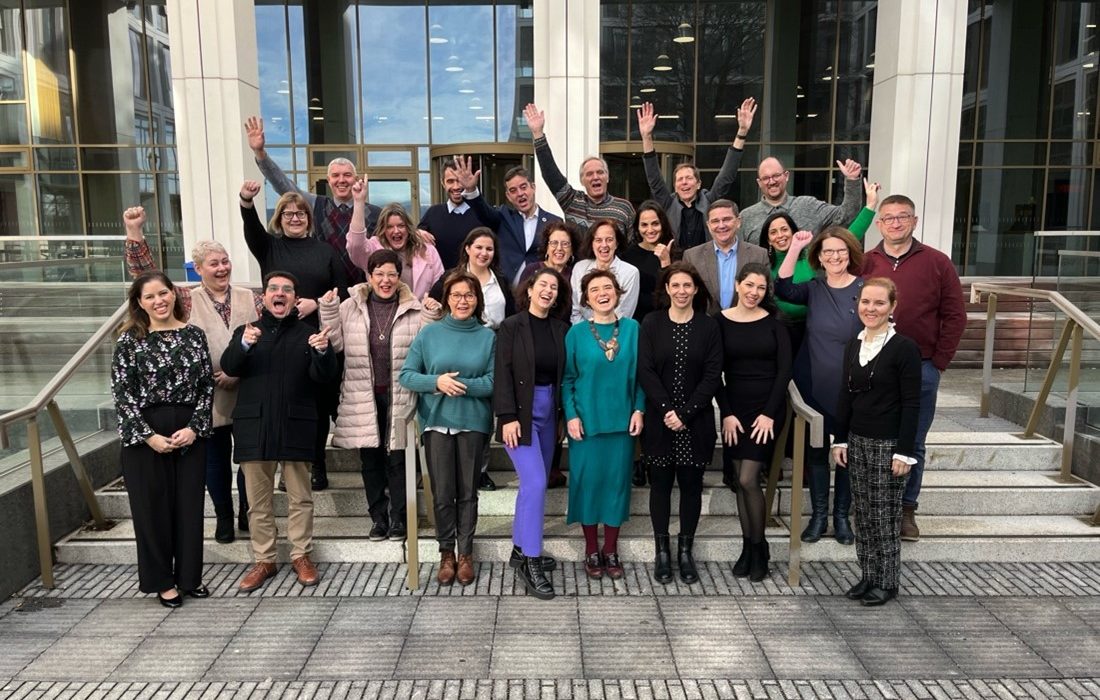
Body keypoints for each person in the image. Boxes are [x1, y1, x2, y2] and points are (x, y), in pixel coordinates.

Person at [123, 206, 259, 542]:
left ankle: (246, 513)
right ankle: (224, 517)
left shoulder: (249, 297)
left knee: (249, 461)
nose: (222, 267)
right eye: (214, 263)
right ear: (198, 269)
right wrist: (135, 233)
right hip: (208, 397)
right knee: (213, 464)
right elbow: (147, 278)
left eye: (225, 261)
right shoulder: (184, 298)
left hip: (247, 391)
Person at [220, 271, 340, 593]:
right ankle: (265, 560)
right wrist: (244, 345)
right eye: (274, 288)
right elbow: (230, 366)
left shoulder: (308, 334)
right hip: (254, 425)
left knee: (300, 498)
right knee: (258, 502)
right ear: (264, 298)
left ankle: (301, 555)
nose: (280, 293)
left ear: (295, 299)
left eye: (287, 289)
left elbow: (325, 377)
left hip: (296, 425)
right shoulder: (246, 333)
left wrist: (323, 352)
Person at [862, 195, 966, 541]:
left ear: (914, 221)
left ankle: (907, 509)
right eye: (888, 218)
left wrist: (939, 362)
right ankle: (875, 505)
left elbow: (955, 315)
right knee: (874, 438)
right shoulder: (866, 262)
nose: (895, 223)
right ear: (879, 224)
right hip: (874, 363)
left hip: (921, 366)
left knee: (914, 441)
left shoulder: (937, 262)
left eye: (902, 217)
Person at [111, 272, 213, 607]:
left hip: (188, 430)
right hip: (146, 434)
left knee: (188, 508)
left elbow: (205, 388)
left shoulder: (194, 335)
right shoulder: (129, 340)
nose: (159, 301)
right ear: (139, 303)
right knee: (151, 510)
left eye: (164, 293)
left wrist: (195, 427)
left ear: (174, 294)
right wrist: (147, 436)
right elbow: (122, 395)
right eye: (150, 296)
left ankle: (189, 577)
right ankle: (161, 581)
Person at [239, 179, 348, 491]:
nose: (295, 218)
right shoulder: (269, 247)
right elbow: (251, 228)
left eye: (300, 213)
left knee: (316, 405)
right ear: (280, 218)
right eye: (288, 214)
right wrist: (246, 201)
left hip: (316, 337)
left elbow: (341, 286)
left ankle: (316, 464)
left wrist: (317, 302)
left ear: (308, 219)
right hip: (278, 339)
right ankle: (286, 469)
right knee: (284, 403)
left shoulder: (324, 251)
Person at [320, 248, 432, 543]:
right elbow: (335, 344)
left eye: (391, 274)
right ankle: (378, 519)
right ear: (368, 276)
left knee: (398, 458)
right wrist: (329, 311)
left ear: (400, 276)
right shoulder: (349, 307)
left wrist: (432, 314)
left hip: (401, 395)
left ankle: (399, 519)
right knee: (369, 459)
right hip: (362, 394)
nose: (385, 280)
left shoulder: (415, 307)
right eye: (379, 274)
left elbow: (428, 349)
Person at [400, 271, 496, 586]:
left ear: (477, 299)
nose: (462, 300)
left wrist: (461, 385)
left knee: (468, 492)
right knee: (442, 493)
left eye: (468, 295)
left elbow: (493, 382)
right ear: (447, 299)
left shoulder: (488, 336)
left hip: (472, 422)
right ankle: (446, 553)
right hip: (437, 422)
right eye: (456, 295)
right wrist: (436, 382)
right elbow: (408, 375)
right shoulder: (429, 335)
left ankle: (466, 554)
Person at [833, 278, 922, 606]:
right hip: (857, 440)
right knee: (864, 513)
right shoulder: (853, 345)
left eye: (879, 303)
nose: (871, 309)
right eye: (866, 302)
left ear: (892, 307)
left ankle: (887, 582)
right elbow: (845, 394)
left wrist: (905, 451)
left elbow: (913, 403)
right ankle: (868, 575)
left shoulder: (905, 349)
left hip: (889, 445)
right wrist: (839, 439)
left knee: (885, 516)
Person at [774, 228, 865, 545]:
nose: (835, 257)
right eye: (828, 252)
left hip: (851, 386)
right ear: (820, 257)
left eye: (840, 251)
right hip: (813, 380)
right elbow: (783, 288)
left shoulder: (863, 289)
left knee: (846, 454)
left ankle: (841, 518)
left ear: (850, 252)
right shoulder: (815, 288)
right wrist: (795, 247)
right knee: (816, 452)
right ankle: (818, 517)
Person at [636, 263, 722, 585]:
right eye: (676, 285)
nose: (682, 291)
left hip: (695, 422)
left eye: (687, 285)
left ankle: (685, 551)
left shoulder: (708, 327)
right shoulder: (651, 322)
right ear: (667, 289)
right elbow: (645, 370)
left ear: (696, 289)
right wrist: (666, 410)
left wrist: (685, 414)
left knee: (690, 487)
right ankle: (662, 552)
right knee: (659, 486)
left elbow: (713, 375)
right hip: (660, 422)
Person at [562, 269, 645, 580]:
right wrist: (570, 415)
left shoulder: (633, 330)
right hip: (585, 424)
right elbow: (567, 380)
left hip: (622, 424)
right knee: (587, 486)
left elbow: (642, 376)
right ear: (586, 298)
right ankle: (590, 549)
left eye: (607, 287)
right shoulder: (576, 334)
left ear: (618, 292)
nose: (602, 293)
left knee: (616, 487)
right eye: (594, 289)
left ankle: (610, 549)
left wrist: (639, 409)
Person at [494, 268, 570, 599]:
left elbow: (566, 375)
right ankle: (532, 561)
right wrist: (507, 415)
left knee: (531, 486)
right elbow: (502, 374)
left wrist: (566, 415)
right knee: (537, 483)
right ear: (530, 289)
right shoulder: (511, 327)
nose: (548, 291)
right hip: (520, 417)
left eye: (554, 287)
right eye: (543, 285)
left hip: (550, 413)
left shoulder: (561, 328)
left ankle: (520, 548)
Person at [716, 263, 792, 582]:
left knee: (749, 479)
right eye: (749, 285)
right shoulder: (719, 322)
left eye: (761, 288)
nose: (754, 293)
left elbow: (785, 371)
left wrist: (769, 413)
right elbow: (713, 372)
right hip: (735, 409)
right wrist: (727, 412)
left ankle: (761, 549)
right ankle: (748, 549)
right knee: (738, 481)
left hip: (766, 411)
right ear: (737, 285)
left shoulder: (775, 324)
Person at [245, 116, 380, 285]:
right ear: (328, 180)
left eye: (347, 175)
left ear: (355, 178)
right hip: (326, 290)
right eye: (335, 175)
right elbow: (282, 184)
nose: (341, 180)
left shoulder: (375, 213)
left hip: (365, 290)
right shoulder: (316, 205)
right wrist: (260, 153)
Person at [763, 178, 880, 357]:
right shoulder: (763, 262)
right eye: (773, 232)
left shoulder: (812, 255)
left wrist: (870, 205)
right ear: (768, 239)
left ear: (793, 231)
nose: (780, 235)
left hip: (814, 331)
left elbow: (848, 237)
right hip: (779, 331)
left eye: (785, 229)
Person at [637, 97, 756, 249]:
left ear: (698, 184)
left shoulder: (710, 202)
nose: (684, 182)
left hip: (706, 264)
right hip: (676, 266)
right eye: (680, 180)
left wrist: (742, 132)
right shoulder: (668, 204)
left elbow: (727, 175)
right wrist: (646, 137)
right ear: (675, 186)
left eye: (688, 178)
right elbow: (654, 179)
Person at [524, 103, 635, 235]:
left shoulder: (624, 208)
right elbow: (550, 174)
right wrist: (538, 134)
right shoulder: (572, 201)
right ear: (582, 181)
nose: (595, 177)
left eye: (600, 172)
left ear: (608, 177)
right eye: (589, 174)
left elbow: (632, 248)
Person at [453, 157, 563, 284]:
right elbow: (483, 211)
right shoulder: (503, 217)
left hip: (540, 293)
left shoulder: (553, 222)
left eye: (523, 187)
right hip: (507, 293)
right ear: (508, 196)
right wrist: (471, 191)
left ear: (533, 187)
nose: (520, 193)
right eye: (513, 190)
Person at [738, 157, 864, 245]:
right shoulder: (746, 217)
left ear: (786, 176)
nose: (771, 182)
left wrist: (852, 180)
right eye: (765, 178)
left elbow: (846, 216)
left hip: (805, 282)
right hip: (763, 283)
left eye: (776, 176)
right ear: (759, 183)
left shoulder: (808, 206)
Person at [347, 190, 444, 300]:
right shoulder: (373, 249)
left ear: (408, 227)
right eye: (389, 227)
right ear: (383, 229)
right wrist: (359, 202)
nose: (396, 231)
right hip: (384, 314)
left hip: (421, 314)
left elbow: (440, 286)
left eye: (401, 225)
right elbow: (355, 245)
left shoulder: (427, 250)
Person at [681, 200, 769, 315]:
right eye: (715, 221)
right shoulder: (691, 257)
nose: (721, 225)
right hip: (706, 326)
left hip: (745, 324)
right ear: (708, 225)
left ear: (738, 222)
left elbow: (767, 295)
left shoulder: (759, 255)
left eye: (727, 219)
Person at [417, 158, 487, 270]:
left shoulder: (482, 215)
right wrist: (417, 233)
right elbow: (413, 238)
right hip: (441, 283)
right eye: (450, 181)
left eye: (460, 180)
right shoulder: (433, 213)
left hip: (474, 283)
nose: (456, 187)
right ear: (442, 183)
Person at [619, 201, 681, 322]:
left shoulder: (677, 254)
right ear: (637, 227)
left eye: (655, 224)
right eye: (644, 225)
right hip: (637, 322)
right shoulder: (627, 256)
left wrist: (666, 262)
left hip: (668, 321)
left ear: (663, 224)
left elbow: (677, 293)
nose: (650, 230)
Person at [569, 219, 641, 323]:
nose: (604, 245)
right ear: (592, 244)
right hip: (582, 334)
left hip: (616, 335)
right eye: (598, 240)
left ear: (616, 243)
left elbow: (623, 314)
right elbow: (576, 311)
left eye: (609, 240)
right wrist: (584, 335)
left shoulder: (630, 273)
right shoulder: (579, 268)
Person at [518, 220, 581, 322]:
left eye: (565, 244)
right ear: (546, 247)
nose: (559, 248)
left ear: (572, 250)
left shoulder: (575, 275)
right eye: (554, 243)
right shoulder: (531, 270)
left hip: (562, 332)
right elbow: (520, 304)